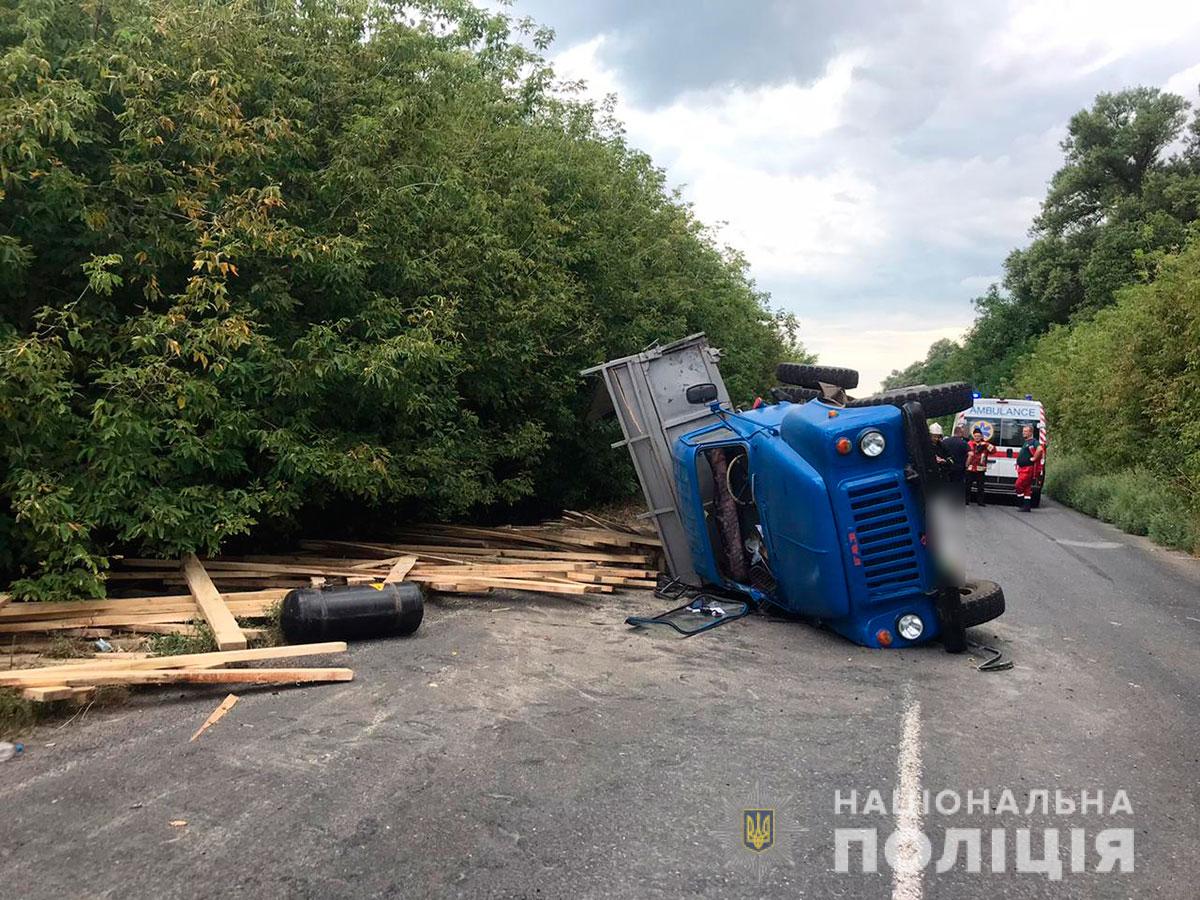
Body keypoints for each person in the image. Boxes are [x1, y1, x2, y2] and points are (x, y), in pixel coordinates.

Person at [1015, 424, 1044, 512]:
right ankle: (1027, 506)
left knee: (1018, 485)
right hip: (1023, 468)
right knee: (1027, 488)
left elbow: (1040, 449)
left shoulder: (1033, 442)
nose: (1023, 433)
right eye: (1023, 431)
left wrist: (1034, 458)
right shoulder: (1027, 442)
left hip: (1027, 469)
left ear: (1031, 432)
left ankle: (1021, 503)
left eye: (1026, 431)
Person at [965, 427, 994, 506]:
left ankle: (980, 502)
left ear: (981, 436)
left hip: (980, 470)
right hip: (970, 469)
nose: (977, 437)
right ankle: (966, 501)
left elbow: (994, 450)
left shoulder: (985, 444)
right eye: (976, 436)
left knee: (980, 488)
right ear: (973, 436)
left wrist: (986, 444)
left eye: (978, 436)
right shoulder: (969, 443)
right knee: (967, 486)